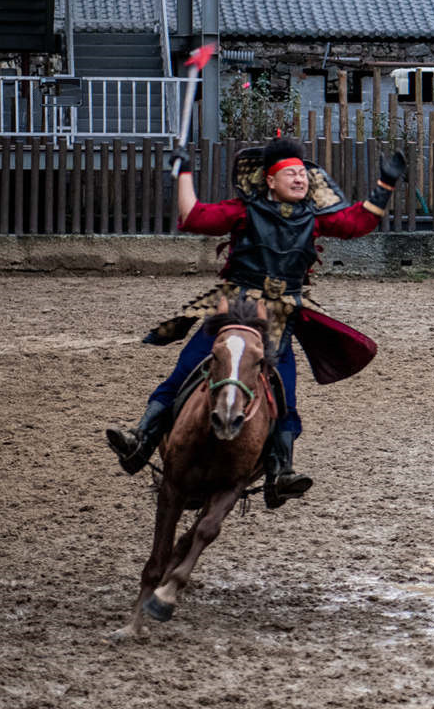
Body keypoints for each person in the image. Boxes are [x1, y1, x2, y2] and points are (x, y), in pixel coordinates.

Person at [107, 136, 404, 507]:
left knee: (285, 395)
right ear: (270, 180)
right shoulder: (244, 210)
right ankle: (141, 439)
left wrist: (385, 185)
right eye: (291, 174)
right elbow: (194, 217)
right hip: (234, 306)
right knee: (185, 371)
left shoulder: (314, 217)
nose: (300, 179)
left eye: (303, 174)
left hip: (280, 316)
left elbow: (358, 222)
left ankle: (280, 472)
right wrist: (183, 172)